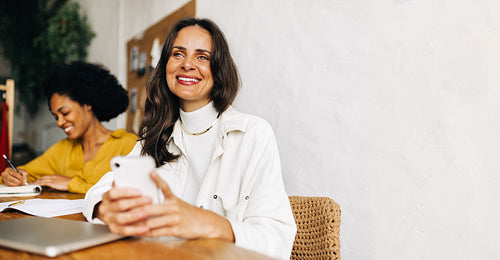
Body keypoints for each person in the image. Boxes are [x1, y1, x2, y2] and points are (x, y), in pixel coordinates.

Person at [83, 17, 297, 259]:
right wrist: (105, 207)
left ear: (219, 69)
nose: (187, 64)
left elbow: (277, 238)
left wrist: (210, 223)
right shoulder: (155, 135)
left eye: (202, 57)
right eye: (178, 54)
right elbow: (100, 189)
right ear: (165, 65)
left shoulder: (253, 133)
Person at [0, 62, 138, 194]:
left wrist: (72, 184)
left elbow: (136, 192)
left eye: (65, 113)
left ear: (87, 104)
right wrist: (11, 176)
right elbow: (25, 174)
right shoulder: (62, 150)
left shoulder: (128, 145)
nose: (59, 123)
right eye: (56, 117)